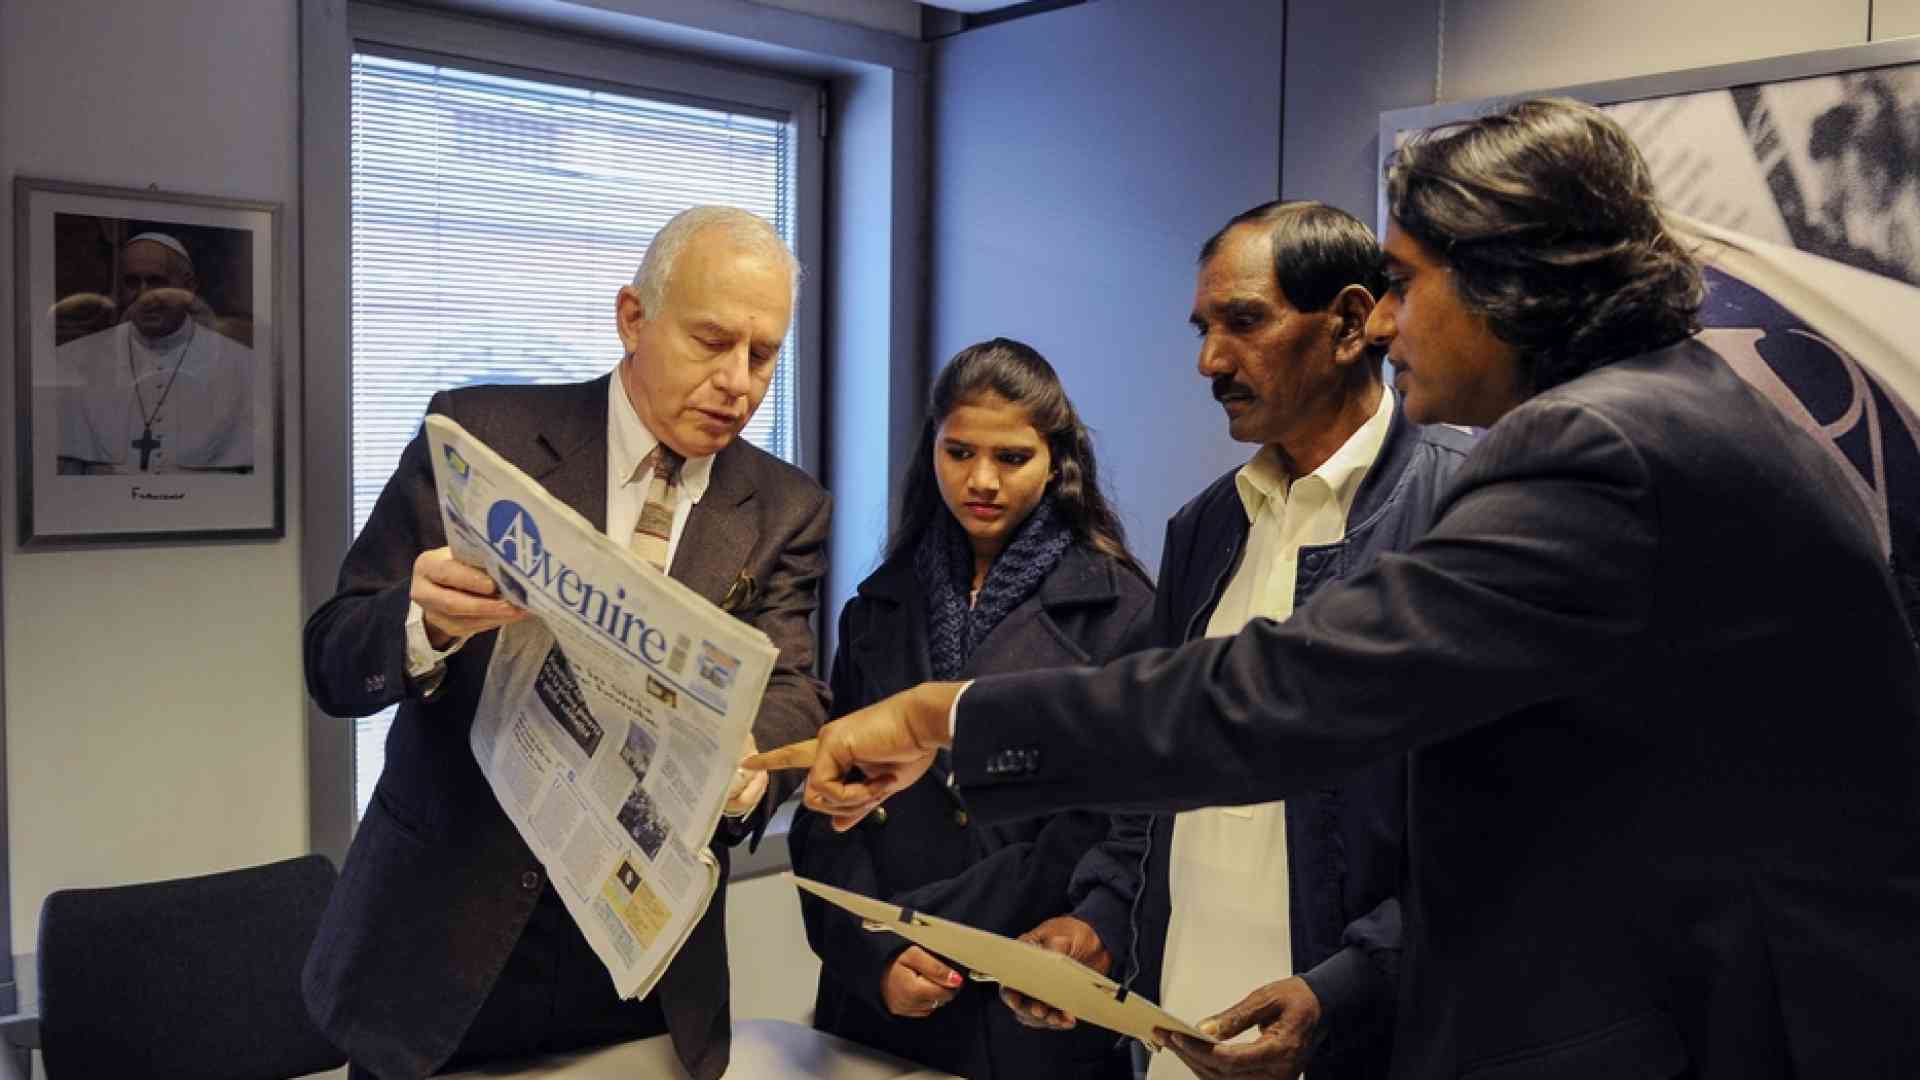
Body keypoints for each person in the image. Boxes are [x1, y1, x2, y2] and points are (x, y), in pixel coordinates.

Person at [759, 99, 1920, 1079]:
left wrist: (948, 719)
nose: (1391, 320)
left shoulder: (1597, 449)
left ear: (1509, 278)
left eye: (1407, 283)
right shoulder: (1680, 410)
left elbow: (1283, 696)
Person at [303, 206, 831, 1080]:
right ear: (633, 318)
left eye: (763, 355)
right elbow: (331, 658)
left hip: (637, 965)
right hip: (444, 942)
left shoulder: (784, 506)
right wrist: (422, 622)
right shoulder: (483, 436)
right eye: (711, 342)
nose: (738, 383)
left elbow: (793, 688)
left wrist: (748, 764)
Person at [1006, 203, 1473, 1080]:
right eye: (1204, 329)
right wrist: (1100, 921)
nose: (1210, 361)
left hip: (1365, 1042)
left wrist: (1341, 990)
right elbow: (1156, 765)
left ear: (1349, 324)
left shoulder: (1460, 513)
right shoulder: (1207, 527)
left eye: (1245, 322)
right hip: (1185, 1024)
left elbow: (1498, 832)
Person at [790, 338, 1153, 1079]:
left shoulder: (1123, 613)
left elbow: (1138, 825)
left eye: (1011, 458)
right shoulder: (876, 609)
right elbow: (827, 812)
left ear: (1056, 461)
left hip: (1026, 990)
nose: (980, 480)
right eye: (958, 453)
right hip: (881, 1000)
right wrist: (874, 955)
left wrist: (1093, 923)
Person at [54, 232, 254, 474]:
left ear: (189, 287)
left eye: (157, 281)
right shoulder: (74, 362)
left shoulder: (244, 366)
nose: (144, 296)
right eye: (131, 282)